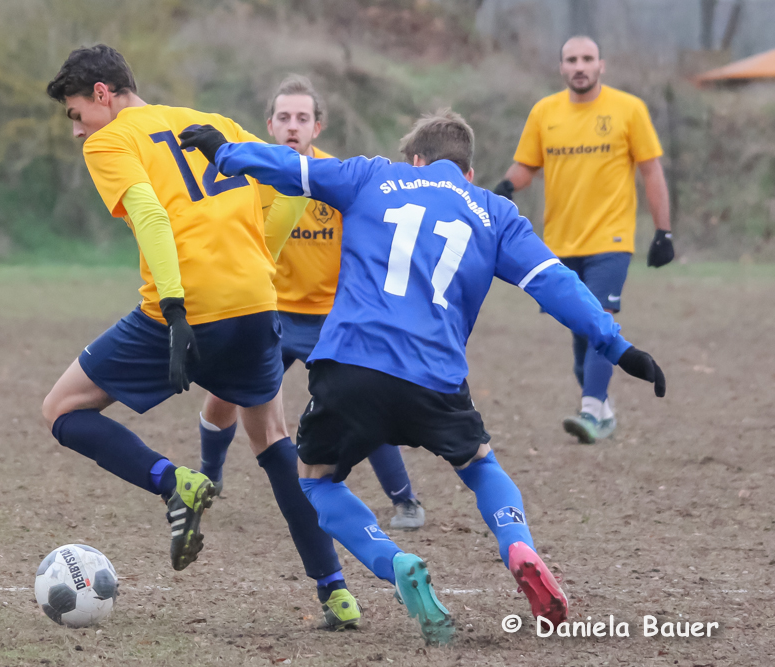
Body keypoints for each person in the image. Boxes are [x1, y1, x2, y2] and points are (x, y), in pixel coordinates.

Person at [179, 108, 666, 644]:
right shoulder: (494, 212)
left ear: (415, 160)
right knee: (479, 465)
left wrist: (224, 151)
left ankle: (396, 563)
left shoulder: (372, 175)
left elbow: (292, 168)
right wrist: (618, 347)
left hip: (350, 367)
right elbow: (555, 283)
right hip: (435, 378)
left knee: (316, 480)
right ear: (469, 172)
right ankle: (517, 545)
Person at [41, 45, 361, 628]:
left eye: (76, 113)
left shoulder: (109, 142)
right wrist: (259, 261)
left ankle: (174, 481)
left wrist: (173, 307)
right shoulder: (214, 123)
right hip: (257, 304)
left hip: (182, 309)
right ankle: (335, 591)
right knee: (274, 442)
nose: (78, 129)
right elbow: (293, 187)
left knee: (61, 409)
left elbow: (150, 215)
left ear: (102, 94)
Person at [197, 75, 426, 530]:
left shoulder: (336, 179)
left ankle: (405, 501)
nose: (292, 126)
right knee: (222, 393)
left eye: (302, 118)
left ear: (317, 127)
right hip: (267, 313)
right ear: (269, 125)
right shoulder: (251, 176)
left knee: (365, 402)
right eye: (284, 117)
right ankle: (208, 477)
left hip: (329, 319)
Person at [493, 35, 674, 444]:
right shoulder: (544, 112)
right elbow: (527, 166)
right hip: (560, 243)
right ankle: (602, 409)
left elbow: (651, 171)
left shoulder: (629, 109)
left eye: (587, 59)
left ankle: (590, 410)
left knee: (599, 320)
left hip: (611, 240)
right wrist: (505, 187)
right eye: (572, 59)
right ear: (561, 67)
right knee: (582, 332)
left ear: (601, 65)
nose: (580, 66)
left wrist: (663, 231)